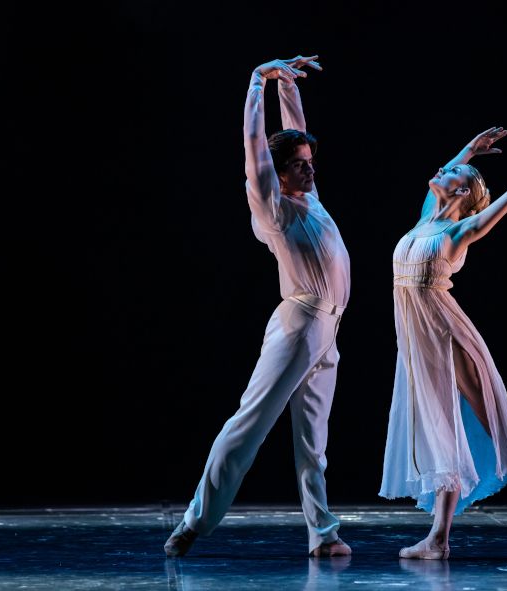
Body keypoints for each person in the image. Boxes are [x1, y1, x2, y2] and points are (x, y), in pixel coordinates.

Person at [164, 55, 352, 558]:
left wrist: (288, 85)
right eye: (298, 166)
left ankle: (323, 533)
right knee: (250, 424)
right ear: (278, 174)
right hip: (300, 324)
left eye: (312, 163)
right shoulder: (274, 208)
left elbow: (297, 133)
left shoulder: (309, 196)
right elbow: (256, 149)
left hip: (326, 331)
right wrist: (257, 83)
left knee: (313, 443)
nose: (309, 170)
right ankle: (191, 523)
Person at [379, 125, 507, 559]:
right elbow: (447, 177)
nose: (441, 168)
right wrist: (470, 150)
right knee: (440, 433)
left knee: (493, 419)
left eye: (452, 171)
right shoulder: (426, 219)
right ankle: (438, 538)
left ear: (463, 192)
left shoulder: (458, 232)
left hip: (448, 335)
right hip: (418, 345)